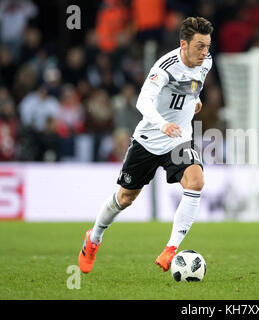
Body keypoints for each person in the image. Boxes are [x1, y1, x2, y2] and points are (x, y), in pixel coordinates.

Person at [78, 17, 214, 273]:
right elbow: (143, 102)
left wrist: (193, 101)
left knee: (196, 182)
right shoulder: (165, 66)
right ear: (183, 44)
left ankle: (171, 248)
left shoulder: (206, 61)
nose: (204, 52)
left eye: (207, 46)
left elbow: (193, 87)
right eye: (199, 46)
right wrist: (162, 123)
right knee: (125, 198)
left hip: (179, 139)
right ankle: (93, 238)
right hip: (149, 139)